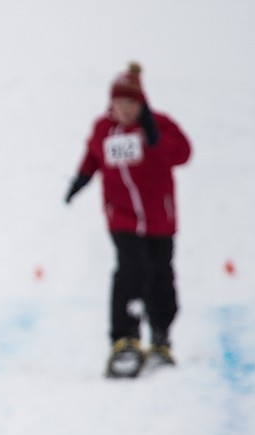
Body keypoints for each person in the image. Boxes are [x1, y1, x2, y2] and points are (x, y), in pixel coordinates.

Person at [64, 62, 191, 378]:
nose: (124, 110)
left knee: (161, 275)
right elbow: (94, 155)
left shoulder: (158, 126)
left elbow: (183, 155)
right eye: (119, 104)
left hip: (160, 218)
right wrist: (80, 179)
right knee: (131, 270)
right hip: (121, 217)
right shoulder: (103, 129)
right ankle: (125, 340)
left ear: (141, 103)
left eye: (131, 104)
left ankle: (161, 336)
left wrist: (154, 137)